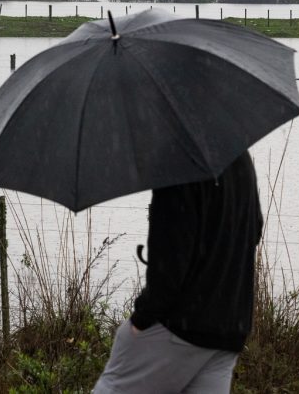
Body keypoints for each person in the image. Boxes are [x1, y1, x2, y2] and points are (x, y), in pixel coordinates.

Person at [94, 152, 263, 393]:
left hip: (179, 327)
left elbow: (170, 263)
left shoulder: (177, 164)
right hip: (228, 330)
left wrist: (141, 319)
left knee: (112, 387)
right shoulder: (238, 156)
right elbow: (254, 230)